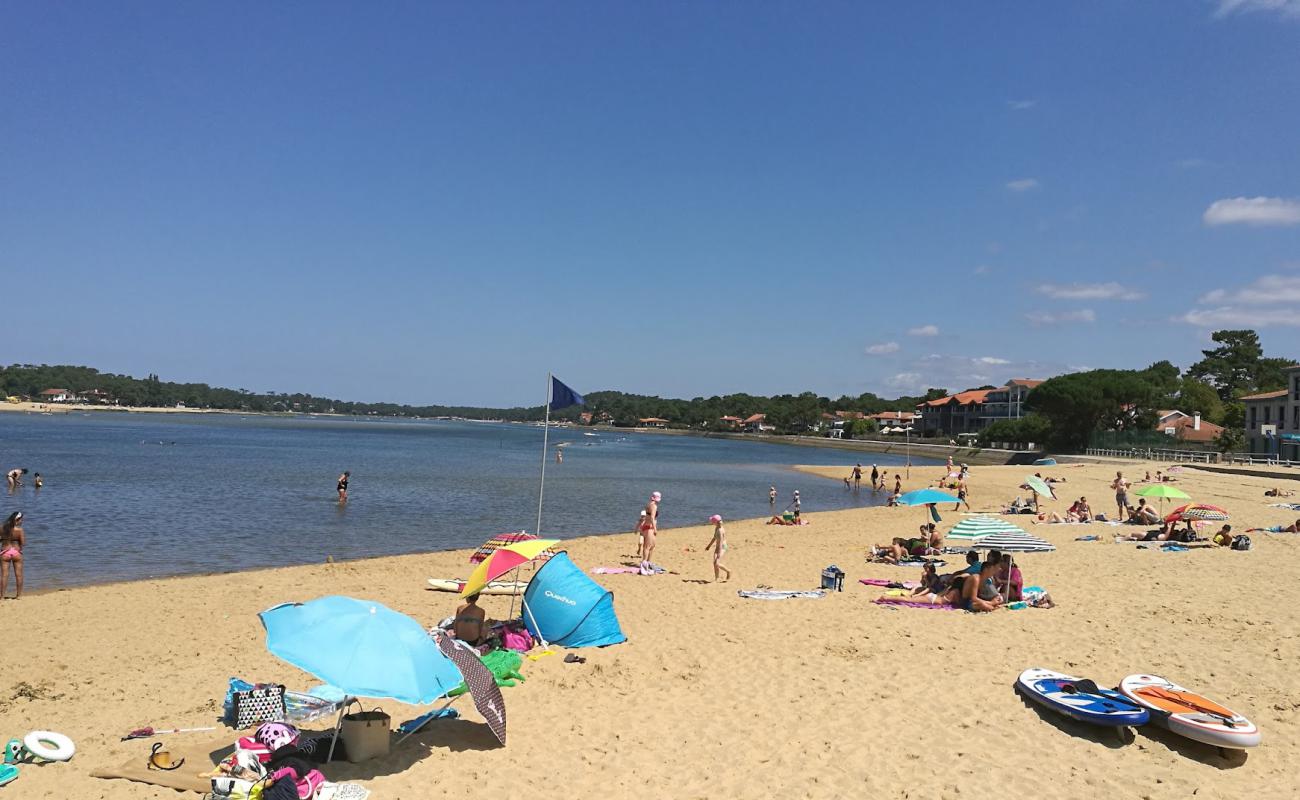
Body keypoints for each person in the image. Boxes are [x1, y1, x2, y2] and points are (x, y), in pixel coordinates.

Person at [0, 511, 24, 599]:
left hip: (5, 552)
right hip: (16, 552)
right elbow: (23, 542)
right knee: (19, 575)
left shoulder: (2, 528)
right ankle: (18, 596)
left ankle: (2, 596)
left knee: (4, 575)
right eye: (21, 519)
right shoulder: (19, 530)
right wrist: (19, 548)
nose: (22, 521)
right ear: (17, 519)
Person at [703, 514, 731, 582]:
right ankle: (717, 578)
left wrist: (719, 552)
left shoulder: (720, 530)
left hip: (722, 547)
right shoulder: (716, 528)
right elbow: (714, 538)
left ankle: (728, 571)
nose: (711, 523)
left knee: (717, 563)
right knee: (714, 563)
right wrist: (709, 546)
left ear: (715, 522)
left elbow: (721, 541)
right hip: (718, 546)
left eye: (712, 521)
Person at [640, 491, 661, 570]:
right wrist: (655, 529)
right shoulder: (654, 506)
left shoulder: (649, 504)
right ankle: (645, 562)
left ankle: (648, 562)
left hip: (646, 526)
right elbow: (652, 517)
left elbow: (646, 516)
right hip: (650, 528)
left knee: (651, 546)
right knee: (648, 546)